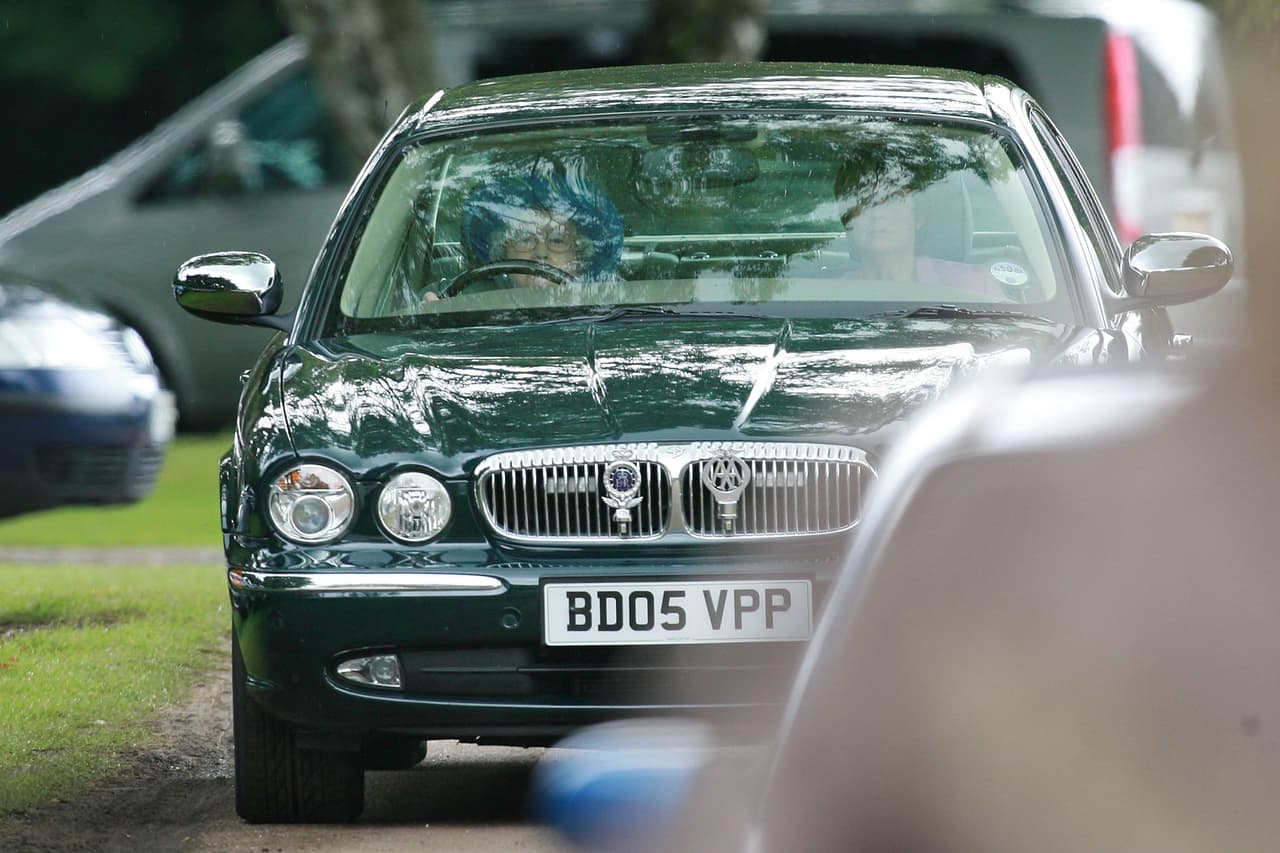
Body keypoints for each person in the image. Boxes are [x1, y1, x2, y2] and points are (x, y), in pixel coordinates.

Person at [835, 162, 1006, 299]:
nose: (878, 213)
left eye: (894, 199)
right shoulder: (833, 297)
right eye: (864, 200)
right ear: (847, 218)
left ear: (919, 216)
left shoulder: (975, 288)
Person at [455, 169, 623, 291]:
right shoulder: (471, 306)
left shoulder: (609, 304)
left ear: (580, 255)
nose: (540, 252)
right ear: (503, 252)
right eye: (525, 238)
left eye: (557, 240)